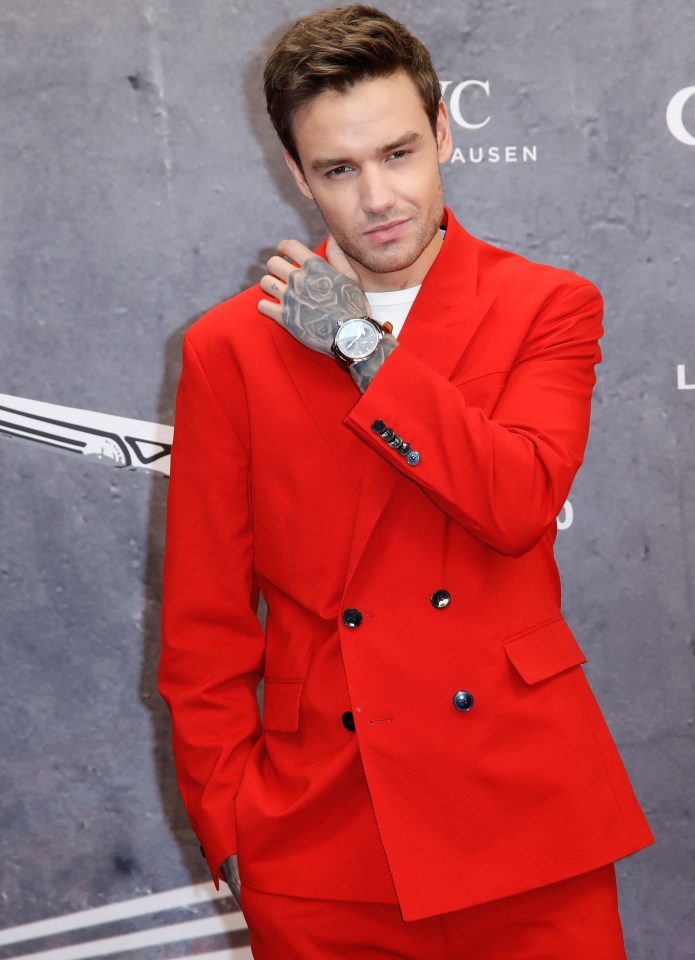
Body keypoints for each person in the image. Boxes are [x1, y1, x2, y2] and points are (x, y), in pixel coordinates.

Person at [159, 6, 653, 957]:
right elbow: (205, 624)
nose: (378, 196)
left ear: (443, 134)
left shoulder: (546, 307)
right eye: (339, 170)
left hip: (522, 819)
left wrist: (356, 342)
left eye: (398, 153)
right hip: (319, 839)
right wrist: (231, 826)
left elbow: (514, 504)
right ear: (298, 177)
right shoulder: (228, 350)